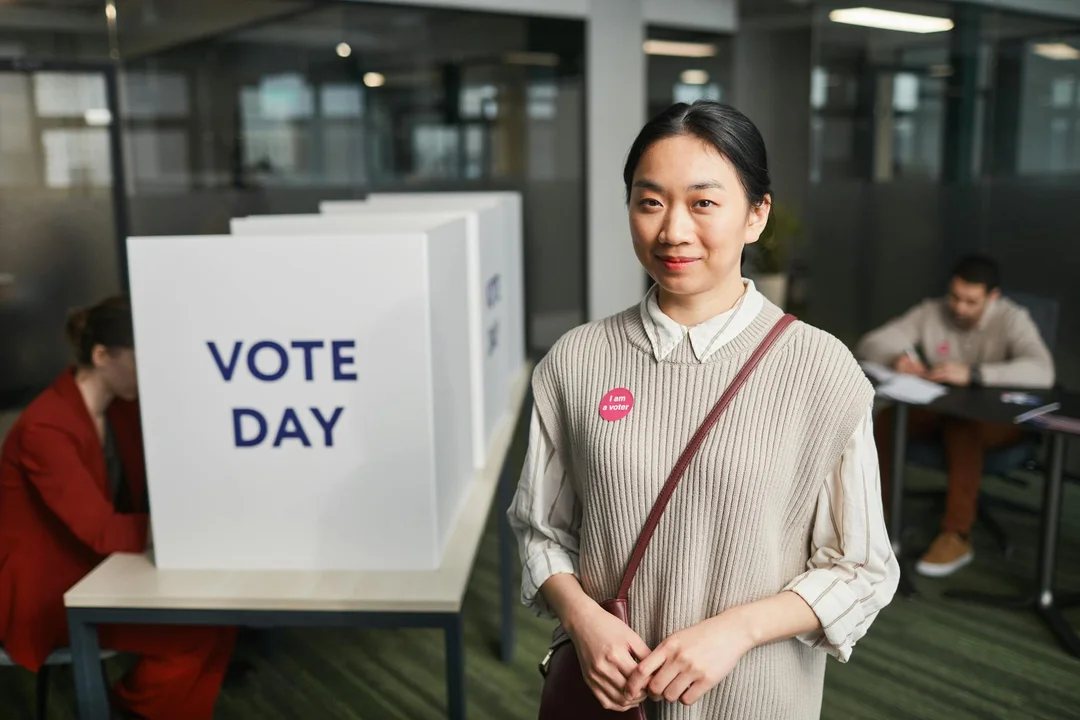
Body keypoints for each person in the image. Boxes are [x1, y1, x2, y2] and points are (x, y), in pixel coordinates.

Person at [508, 101, 899, 720]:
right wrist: (583, 620)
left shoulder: (822, 371)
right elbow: (541, 531)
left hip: (757, 698)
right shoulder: (575, 362)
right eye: (650, 201)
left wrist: (737, 630)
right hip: (613, 697)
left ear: (756, 214)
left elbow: (861, 568)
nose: (673, 231)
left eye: (704, 202)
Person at [0, 295, 237, 720]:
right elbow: (102, 530)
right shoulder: (45, 428)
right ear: (101, 355)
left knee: (220, 619)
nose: (150, 374)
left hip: (95, 568)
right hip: (50, 591)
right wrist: (191, 527)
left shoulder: (120, 410)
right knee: (195, 634)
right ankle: (128, 713)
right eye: (140, 360)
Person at [856, 255, 1055, 577]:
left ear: (992, 297)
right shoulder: (931, 311)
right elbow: (872, 342)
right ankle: (873, 518)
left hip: (995, 422)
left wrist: (974, 374)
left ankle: (957, 534)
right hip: (940, 409)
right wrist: (897, 359)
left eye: (971, 301)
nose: (959, 308)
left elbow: (1042, 370)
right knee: (888, 418)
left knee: (962, 429)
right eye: (955, 297)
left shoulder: (1013, 319)